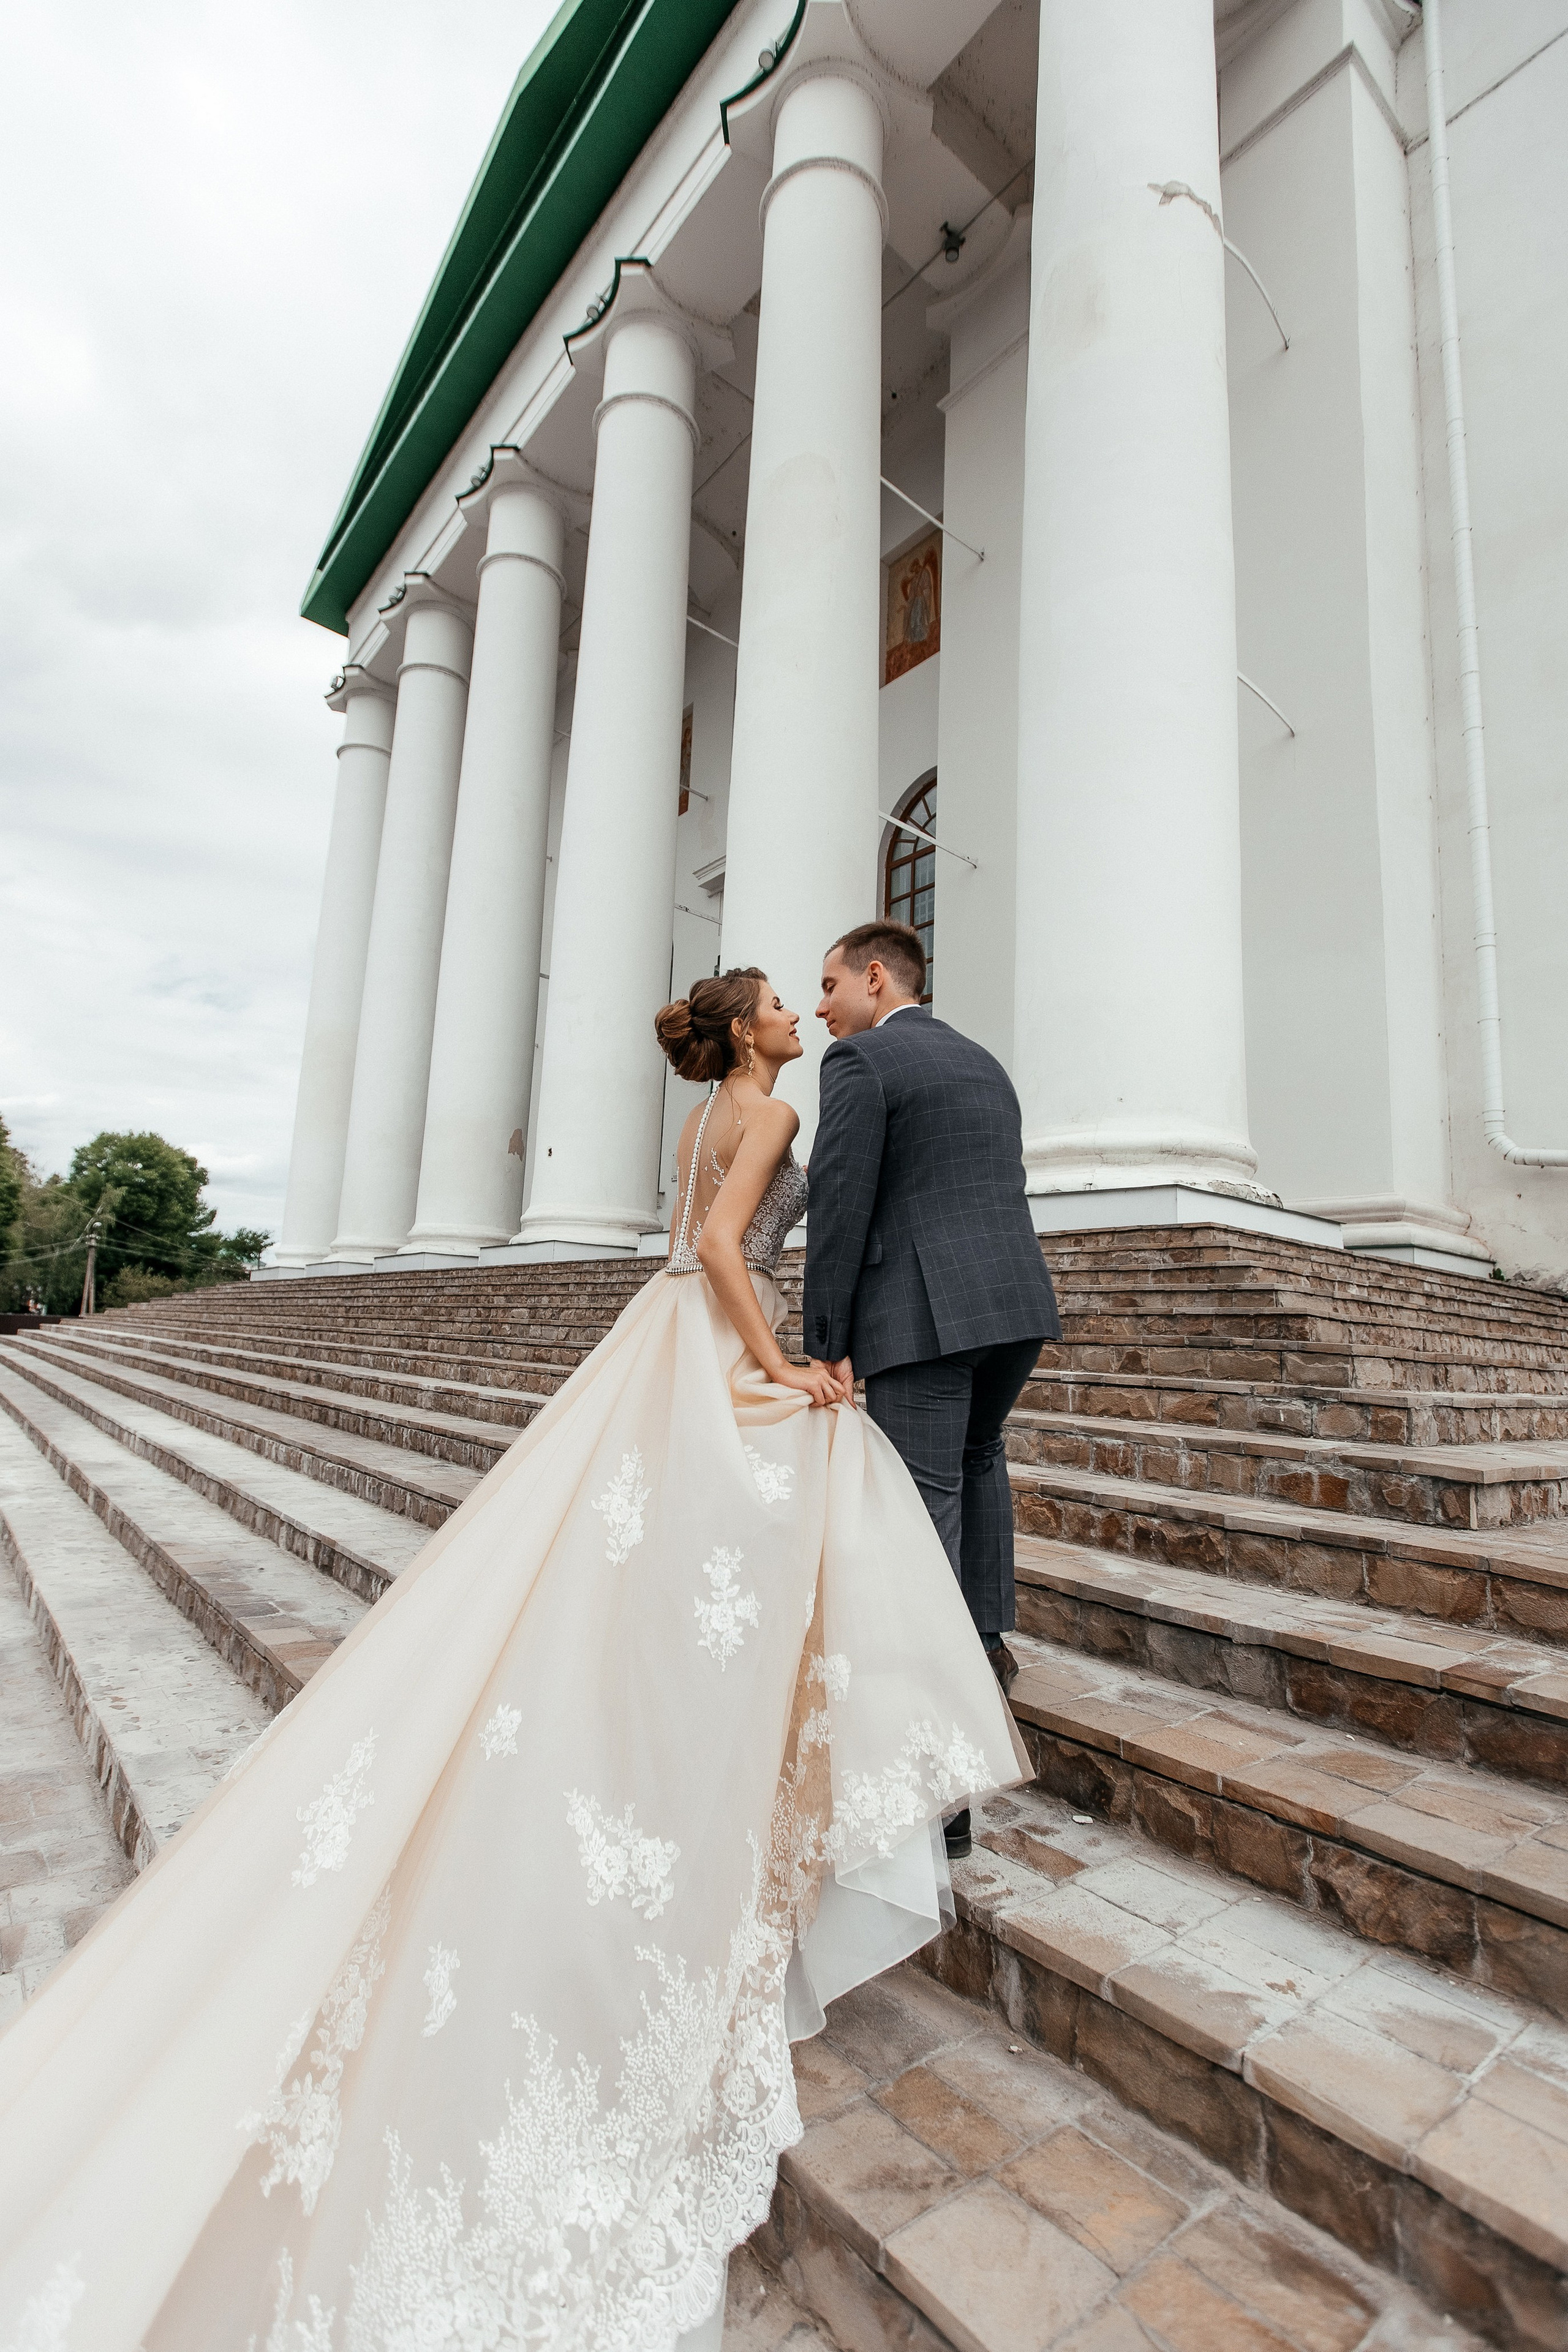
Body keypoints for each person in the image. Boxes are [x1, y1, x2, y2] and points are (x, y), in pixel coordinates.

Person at [0, 965, 1025, 2352]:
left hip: (651, 1338)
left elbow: (681, 1239)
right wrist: (786, 1366)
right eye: (781, 1005)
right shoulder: (773, 1116)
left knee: (639, 1565)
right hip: (710, 1338)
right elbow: (728, 1251)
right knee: (818, 1493)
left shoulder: (705, 1114)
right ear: (746, 1033)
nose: (798, 1015)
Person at [804, 922, 1060, 1857]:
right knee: (977, 1466)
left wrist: (825, 1341)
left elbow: (840, 1202)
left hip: (923, 1317)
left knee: (920, 1529)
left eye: (830, 984)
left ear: (877, 978)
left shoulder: (863, 1064)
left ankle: (942, 1793)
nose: (822, 1005)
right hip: (1014, 1305)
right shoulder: (985, 1062)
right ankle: (989, 1650)